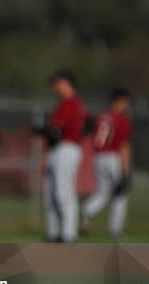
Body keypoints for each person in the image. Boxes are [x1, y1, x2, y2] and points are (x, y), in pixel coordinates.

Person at [42, 69, 87, 243]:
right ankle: (55, 233)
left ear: (66, 83)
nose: (55, 87)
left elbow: (58, 130)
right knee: (52, 194)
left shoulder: (73, 104)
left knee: (64, 193)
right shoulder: (63, 104)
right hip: (58, 149)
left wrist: (46, 130)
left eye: (57, 83)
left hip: (67, 148)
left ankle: (68, 235)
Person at [82, 88, 133, 238]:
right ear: (119, 101)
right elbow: (124, 146)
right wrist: (125, 170)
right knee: (120, 194)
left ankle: (86, 211)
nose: (127, 105)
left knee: (102, 193)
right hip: (113, 158)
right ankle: (115, 230)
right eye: (125, 102)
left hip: (98, 158)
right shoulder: (122, 119)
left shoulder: (101, 117)